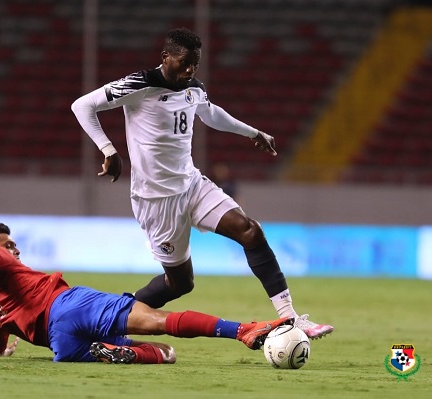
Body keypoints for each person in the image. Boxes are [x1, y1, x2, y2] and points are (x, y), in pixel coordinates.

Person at [71, 27, 333, 339]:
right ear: (165, 57)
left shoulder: (193, 87)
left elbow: (210, 114)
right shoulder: (140, 84)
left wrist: (253, 133)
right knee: (180, 284)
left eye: (195, 63)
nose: (189, 69)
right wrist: (108, 149)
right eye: (183, 62)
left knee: (250, 230)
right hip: (156, 200)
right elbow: (82, 105)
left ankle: (290, 319)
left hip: (193, 185)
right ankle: (113, 318)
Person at [0, 223, 292, 364]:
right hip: (70, 305)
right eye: (9, 245)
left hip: (61, 344)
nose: (15, 249)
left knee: (162, 355)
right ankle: (242, 330)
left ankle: (120, 352)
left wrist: (1, 351)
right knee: (157, 323)